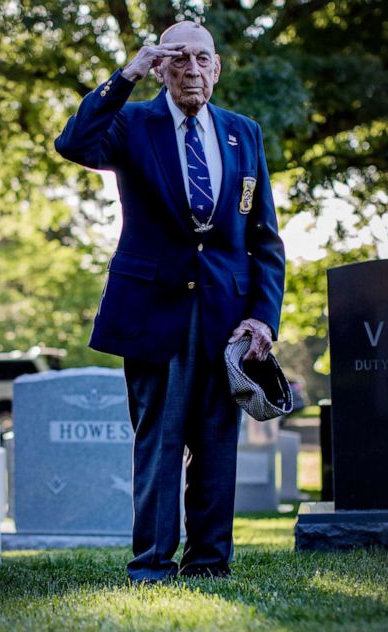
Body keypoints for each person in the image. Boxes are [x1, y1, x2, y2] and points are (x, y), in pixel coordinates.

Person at [55, 20, 285, 583]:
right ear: (159, 67)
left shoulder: (243, 133)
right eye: (178, 59)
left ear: (218, 66)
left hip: (226, 316)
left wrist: (262, 314)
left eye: (202, 59)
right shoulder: (131, 123)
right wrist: (125, 76)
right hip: (152, 308)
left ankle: (208, 563)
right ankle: (152, 564)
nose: (192, 70)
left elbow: (263, 237)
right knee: (158, 441)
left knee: (214, 444)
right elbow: (74, 143)